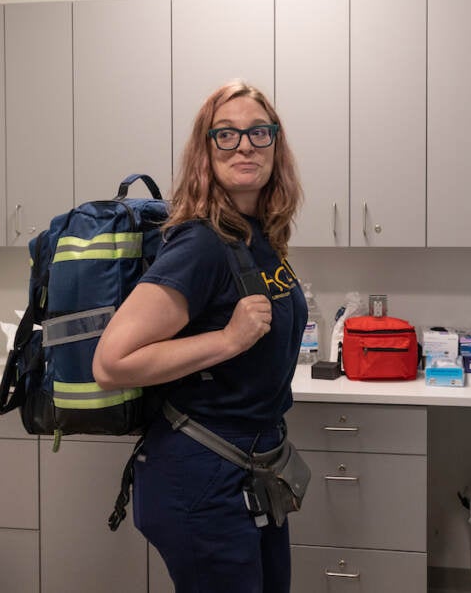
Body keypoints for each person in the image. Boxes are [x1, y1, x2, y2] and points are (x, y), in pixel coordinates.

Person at [92, 80, 306, 593]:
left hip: (254, 469)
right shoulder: (201, 244)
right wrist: (229, 341)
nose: (245, 145)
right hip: (202, 476)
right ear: (205, 153)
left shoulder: (257, 236)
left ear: (276, 145)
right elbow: (111, 363)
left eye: (259, 132)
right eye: (225, 135)